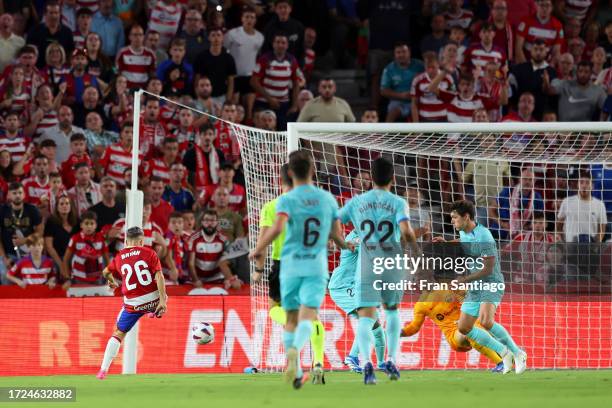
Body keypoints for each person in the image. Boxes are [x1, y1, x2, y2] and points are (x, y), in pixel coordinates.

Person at [249, 151, 349, 388]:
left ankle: (294, 362)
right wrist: (344, 245)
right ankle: (315, 361)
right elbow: (336, 233)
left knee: (288, 316)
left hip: (287, 263)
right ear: (312, 171)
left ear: (290, 174)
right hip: (315, 264)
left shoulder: (283, 201)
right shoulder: (327, 199)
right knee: (310, 317)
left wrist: (258, 249)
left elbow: (276, 228)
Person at [338, 157, 419, 384]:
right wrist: (416, 251)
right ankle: (391, 359)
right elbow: (406, 230)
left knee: (366, 318)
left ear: (370, 178)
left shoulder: (356, 202)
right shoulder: (398, 202)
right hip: (392, 263)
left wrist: (340, 242)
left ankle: (365, 363)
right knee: (391, 312)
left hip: (367, 265)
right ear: (393, 178)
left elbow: (335, 220)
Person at [433, 200, 527, 374]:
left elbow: (488, 268)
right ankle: (503, 352)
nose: (452, 221)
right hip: (475, 287)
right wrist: (446, 242)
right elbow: (463, 242)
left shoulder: (484, 236)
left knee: (485, 321)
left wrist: (464, 280)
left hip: (491, 283)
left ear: (466, 217)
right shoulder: (465, 232)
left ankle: (518, 353)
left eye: (454, 218)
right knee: (464, 328)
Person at [97, 226, 168, 380]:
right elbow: (159, 276)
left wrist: (112, 282)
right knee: (160, 297)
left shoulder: (119, 256)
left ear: (126, 241)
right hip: (152, 299)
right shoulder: (149, 253)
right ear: (141, 241)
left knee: (118, 333)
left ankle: (103, 371)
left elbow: (105, 272)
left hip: (133, 305)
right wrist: (162, 300)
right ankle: (154, 310)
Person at [400, 288, 503, 371]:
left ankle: (510, 356)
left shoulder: (449, 288)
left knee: (479, 327)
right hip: (454, 336)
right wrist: (399, 333)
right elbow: (414, 327)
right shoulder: (420, 306)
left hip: (470, 323)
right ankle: (501, 363)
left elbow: (470, 297)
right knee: (469, 331)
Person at [328, 229, 387, 373]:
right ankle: (352, 356)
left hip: (355, 286)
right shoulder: (355, 236)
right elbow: (353, 244)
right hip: (341, 286)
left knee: (378, 329)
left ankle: (381, 363)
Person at [251, 32, 301, 130]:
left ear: (287, 45)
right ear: (273, 44)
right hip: (264, 102)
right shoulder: (265, 59)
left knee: (283, 132)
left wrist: (295, 105)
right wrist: (269, 99)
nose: (280, 45)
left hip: (283, 104)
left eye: (283, 43)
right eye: (277, 42)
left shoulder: (292, 60)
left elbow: (296, 83)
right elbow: (253, 81)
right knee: (262, 131)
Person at [62, 211, 109, 287]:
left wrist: (109, 278)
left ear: (96, 225)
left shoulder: (101, 239)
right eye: (86, 223)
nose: (89, 226)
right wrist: (67, 278)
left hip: (97, 279)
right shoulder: (75, 239)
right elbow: (66, 259)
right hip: (79, 279)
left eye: (92, 223)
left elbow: (107, 260)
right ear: (81, 225)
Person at [380, 43, 424, 122]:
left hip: (419, 100)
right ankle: (385, 133)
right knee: (393, 112)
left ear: (409, 52)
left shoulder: (420, 66)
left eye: (404, 52)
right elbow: (383, 91)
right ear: (394, 54)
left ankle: (418, 133)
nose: (401, 55)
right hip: (398, 101)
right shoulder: (389, 69)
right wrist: (402, 95)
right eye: (398, 52)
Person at [194, 27, 237, 105]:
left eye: (218, 35)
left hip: (221, 97)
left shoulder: (228, 58)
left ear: (222, 38)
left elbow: (231, 81)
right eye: (213, 35)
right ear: (209, 38)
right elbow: (197, 79)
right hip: (204, 96)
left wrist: (228, 99)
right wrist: (199, 97)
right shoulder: (201, 57)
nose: (216, 38)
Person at [27, 1, 74, 68]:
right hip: (40, 70)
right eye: (51, 13)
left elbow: (70, 54)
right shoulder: (34, 31)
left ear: (60, 14)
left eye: (56, 13)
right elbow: (29, 52)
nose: (54, 16)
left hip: (61, 72)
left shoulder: (67, 32)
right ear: (45, 14)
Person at [43, 195, 79, 273]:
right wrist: (61, 264)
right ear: (57, 207)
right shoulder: (51, 222)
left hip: (75, 258)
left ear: (71, 206)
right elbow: (49, 247)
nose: (64, 206)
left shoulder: (77, 222)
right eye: (61, 204)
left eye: (67, 203)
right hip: (57, 258)